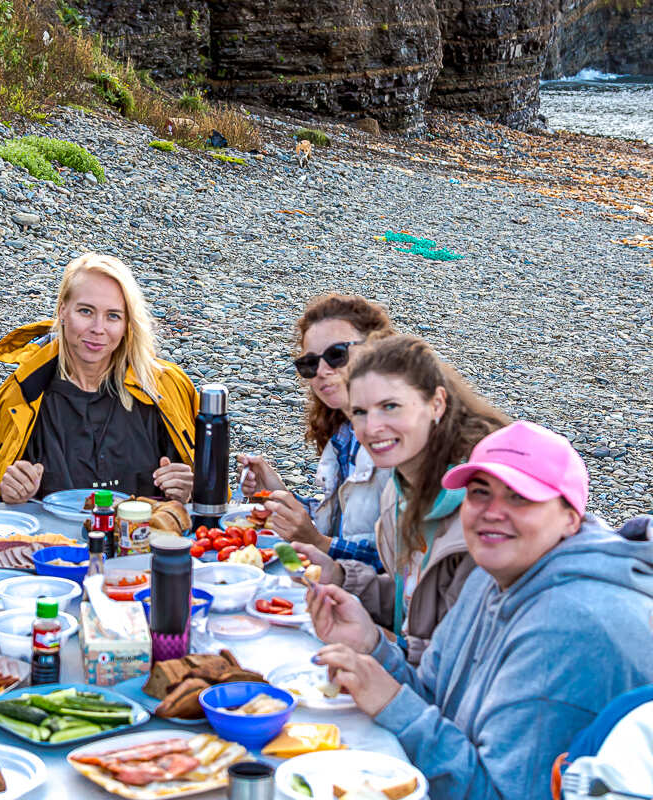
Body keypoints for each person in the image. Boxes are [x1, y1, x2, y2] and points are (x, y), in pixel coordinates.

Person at [308, 420, 653, 800]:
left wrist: (391, 702)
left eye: (519, 497)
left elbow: (503, 794)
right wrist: (371, 644)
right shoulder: (491, 574)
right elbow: (436, 699)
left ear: (572, 518)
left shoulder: (573, 625)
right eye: (479, 492)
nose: (491, 512)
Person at [297, 334, 509, 663]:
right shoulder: (399, 490)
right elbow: (412, 604)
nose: (372, 427)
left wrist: (377, 644)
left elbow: (459, 664)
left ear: (436, 404)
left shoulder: (482, 514)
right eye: (359, 412)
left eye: (390, 407)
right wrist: (339, 575)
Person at [0, 253, 198, 503]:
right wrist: (9, 497)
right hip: (48, 530)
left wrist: (191, 492)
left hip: (145, 528)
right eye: (86, 311)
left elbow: (214, 499)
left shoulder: (167, 388)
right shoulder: (22, 394)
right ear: (62, 311)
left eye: (113, 315)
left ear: (128, 324)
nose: (98, 328)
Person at [237, 294, 395, 567]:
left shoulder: (403, 436)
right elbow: (342, 525)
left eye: (336, 355)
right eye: (309, 364)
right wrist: (277, 497)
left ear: (377, 350)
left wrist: (319, 543)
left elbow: (406, 560)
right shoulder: (344, 432)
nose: (321, 371)